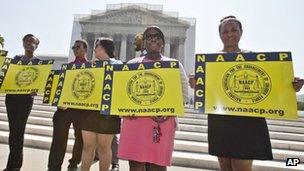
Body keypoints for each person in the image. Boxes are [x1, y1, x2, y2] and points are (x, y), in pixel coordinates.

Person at [191, 15, 304, 171]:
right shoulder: (209, 62)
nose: (230, 34)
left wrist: (292, 86)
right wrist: (196, 84)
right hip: (220, 120)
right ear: (219, 34)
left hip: (247, 122)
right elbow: (206, 92)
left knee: (242, 167)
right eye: (225, 31)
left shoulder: (254, 58)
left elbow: (274, 87)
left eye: (234, 30)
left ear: (241, 32)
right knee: (225, 166)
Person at [118, 26, 188, 171]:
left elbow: (184, 94)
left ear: (163, 42)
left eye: (157, 36)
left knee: (158, 165)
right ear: (143, 42)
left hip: (163, 122)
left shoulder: (174, 65)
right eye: (148, 36)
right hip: (135, 121)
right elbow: (122, 95)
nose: (153, 38)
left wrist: (169, 111)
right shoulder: (131, 64)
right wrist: (125, 111)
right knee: (136, 165)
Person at [47, 40, 89, 171]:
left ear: (85, 49)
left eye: (78, 47)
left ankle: (74, 163)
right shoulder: (67, 67)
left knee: (80, 138)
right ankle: (53, 166)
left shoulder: (92, 67)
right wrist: (58, 101)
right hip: (64, 109)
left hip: (81, 109)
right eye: (74, 47)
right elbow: (60, 87)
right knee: (58, 138)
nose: (75, 49)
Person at [81, 37, 121, 171]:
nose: (94, 48)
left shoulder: (118, 64)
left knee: (104, 148)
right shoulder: (92, 64)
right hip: (89, 111)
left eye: (97, 46)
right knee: (87, 147)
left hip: (108, 113)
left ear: (104, 48)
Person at [3, 34, 40, 171]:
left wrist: (37, 88)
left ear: (37, 46)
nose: (30, 44)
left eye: (33, 42)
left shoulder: (39, 63)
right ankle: (13, 164)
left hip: (25, 100)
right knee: (13, 132)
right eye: (27, 41)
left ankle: (14, 166)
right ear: (23, 43)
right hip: (11, 98)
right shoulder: (15, 59)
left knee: (19, 131)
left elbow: (40, 82)